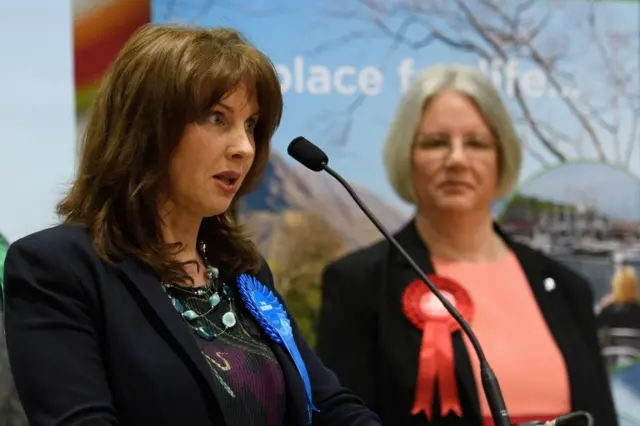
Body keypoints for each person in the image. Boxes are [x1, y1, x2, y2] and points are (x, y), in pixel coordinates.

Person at [3, 23, 381, 426]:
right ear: (147, 127)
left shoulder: (242, 270)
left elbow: (329, 403)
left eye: (250, 125)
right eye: (217, 118)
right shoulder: (58, 269)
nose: (243, 147)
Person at [316, 64, 618, 426]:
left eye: (475, 143)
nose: (456, 159)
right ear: (406, 156)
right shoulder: (359, 284)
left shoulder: (569, 288)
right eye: (436, 142)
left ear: (501, 157)